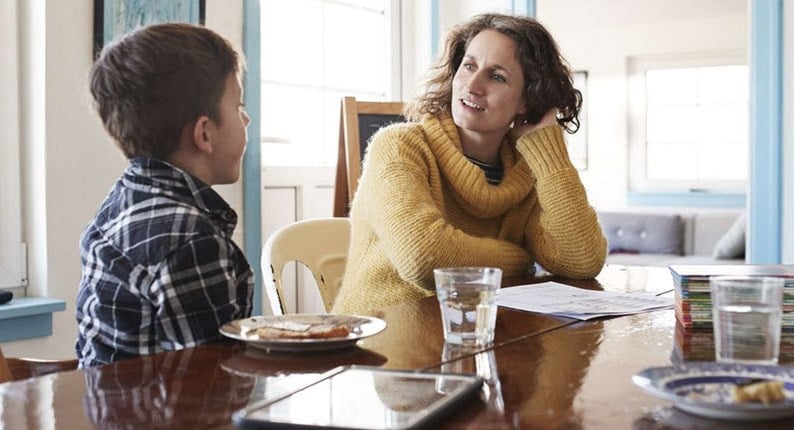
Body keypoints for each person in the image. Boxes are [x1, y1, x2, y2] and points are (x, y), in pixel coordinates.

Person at [333, 13, 607, 314]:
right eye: (469, 66)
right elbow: (423, 256)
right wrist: (519, 259)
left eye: (497, 76)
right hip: (381, 343)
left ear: (525, 101)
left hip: (477, 337)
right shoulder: (399, 147)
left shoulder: (524, 174)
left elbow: (582, 261)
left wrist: (548, 151)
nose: (473, 86)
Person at [76, 23, 253, 368]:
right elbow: (212, 384)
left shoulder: (121, 202)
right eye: (238, 106)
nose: (245, 119)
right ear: (204, 133)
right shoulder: (191, 240)